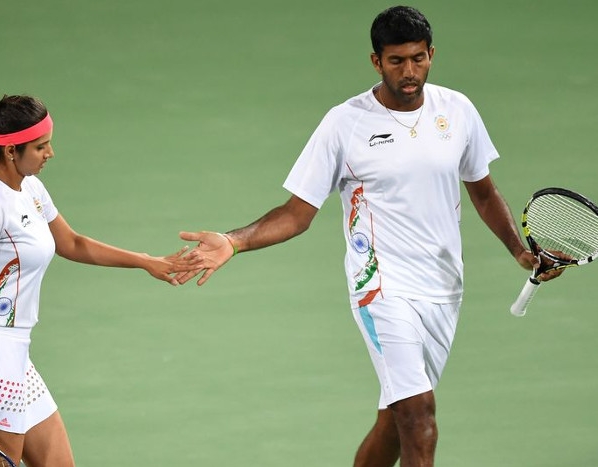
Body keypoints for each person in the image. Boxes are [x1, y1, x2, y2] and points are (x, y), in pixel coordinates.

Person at [175, 6, 562, 467]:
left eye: (418, 58)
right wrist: (234, 240)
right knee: (418, 415)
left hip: (443, 288)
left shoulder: (457, 111)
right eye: (396, 61)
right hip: (379, 286)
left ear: (432, 55)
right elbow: (297, 213)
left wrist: (520, 251)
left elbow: (482, 192)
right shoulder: (345, 123)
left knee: (395, 421)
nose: (409, 71)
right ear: (376, 62)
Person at [0, 88, 203, 466]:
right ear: (11, 151)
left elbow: (72, 243)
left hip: (15, 354)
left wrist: (146, 261)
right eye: (40, 147)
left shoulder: (30, 188)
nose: (50, 153)